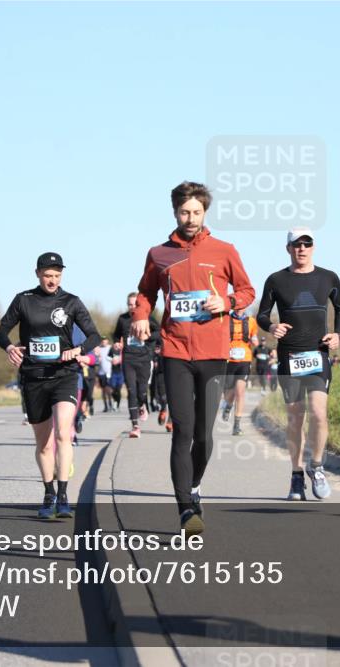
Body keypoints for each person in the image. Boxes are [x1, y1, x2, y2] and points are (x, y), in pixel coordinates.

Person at [132, 181, 254, 535]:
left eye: (196, 212)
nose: (190, 218)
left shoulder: (224, 250)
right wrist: (141, 315)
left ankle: (195, 484)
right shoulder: (159, 254)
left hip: (214, 352)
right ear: (175, 212)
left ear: (205, 212)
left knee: (204, 434)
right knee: (182, 430)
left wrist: (227, 302)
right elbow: (146, 292)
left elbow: (247, 290)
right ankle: (186, 508)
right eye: (184, 212)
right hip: (175, 351)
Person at [0, 252, 100, 519]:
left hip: (64, 375)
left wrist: (77, 350)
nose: (52, 280)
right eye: (48, 275)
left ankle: (64, 496)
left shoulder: (71, 302)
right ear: (38, 274)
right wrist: (9, 347)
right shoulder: (23, 300)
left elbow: (94, 336)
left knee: (64, 434)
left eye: (57, 275)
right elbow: (1, 331)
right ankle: (48, 493)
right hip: (33, 377)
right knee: (43, 444)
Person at [257, 227, 340, 502]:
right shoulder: (276, 280)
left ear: (313, 247)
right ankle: (296, 475)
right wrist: (272, 327)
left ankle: (317, 466)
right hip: (289, 357)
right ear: (288, 249)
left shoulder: (328, 277)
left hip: (318, 354)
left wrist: (337, 334)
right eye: (296, 244)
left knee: (319, 414)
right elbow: (261, 314)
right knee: (296, 418)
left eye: (307, 244)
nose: (302, 248)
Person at [113, 292, 160, 438]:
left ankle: (142, 404)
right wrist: (116, 343)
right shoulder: (123, 319)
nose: (132, 307)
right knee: (131, 391)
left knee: (141, 391)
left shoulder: (148, 319)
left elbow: (160, 333)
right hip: (128, 359)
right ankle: (135, 426)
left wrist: (149, 336)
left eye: (135, 304)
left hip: (144, 359)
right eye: (130, 304)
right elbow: (116, 335)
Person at [221, 310, 259, 436]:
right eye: (237, 306)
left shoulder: (251, 321)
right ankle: (228, 405)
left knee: (240, 391)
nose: (239, 308)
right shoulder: (226, 319)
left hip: (245, 359)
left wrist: (255, 341)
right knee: (229, 392)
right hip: (229, 359)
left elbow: (255, 338)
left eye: (242, 306)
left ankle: (236, 425)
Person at [94, 337, 113, 413]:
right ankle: (105, 406)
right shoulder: (99, 349)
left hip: (109, 372)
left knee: (108, 389)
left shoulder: (110, 348)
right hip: (101, 372)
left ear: (107, 341)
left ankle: (110, 405)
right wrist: (97, 358)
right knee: (103, 390)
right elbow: (95, 359)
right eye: (102, 340)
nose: (104, 341)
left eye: (105, 340)